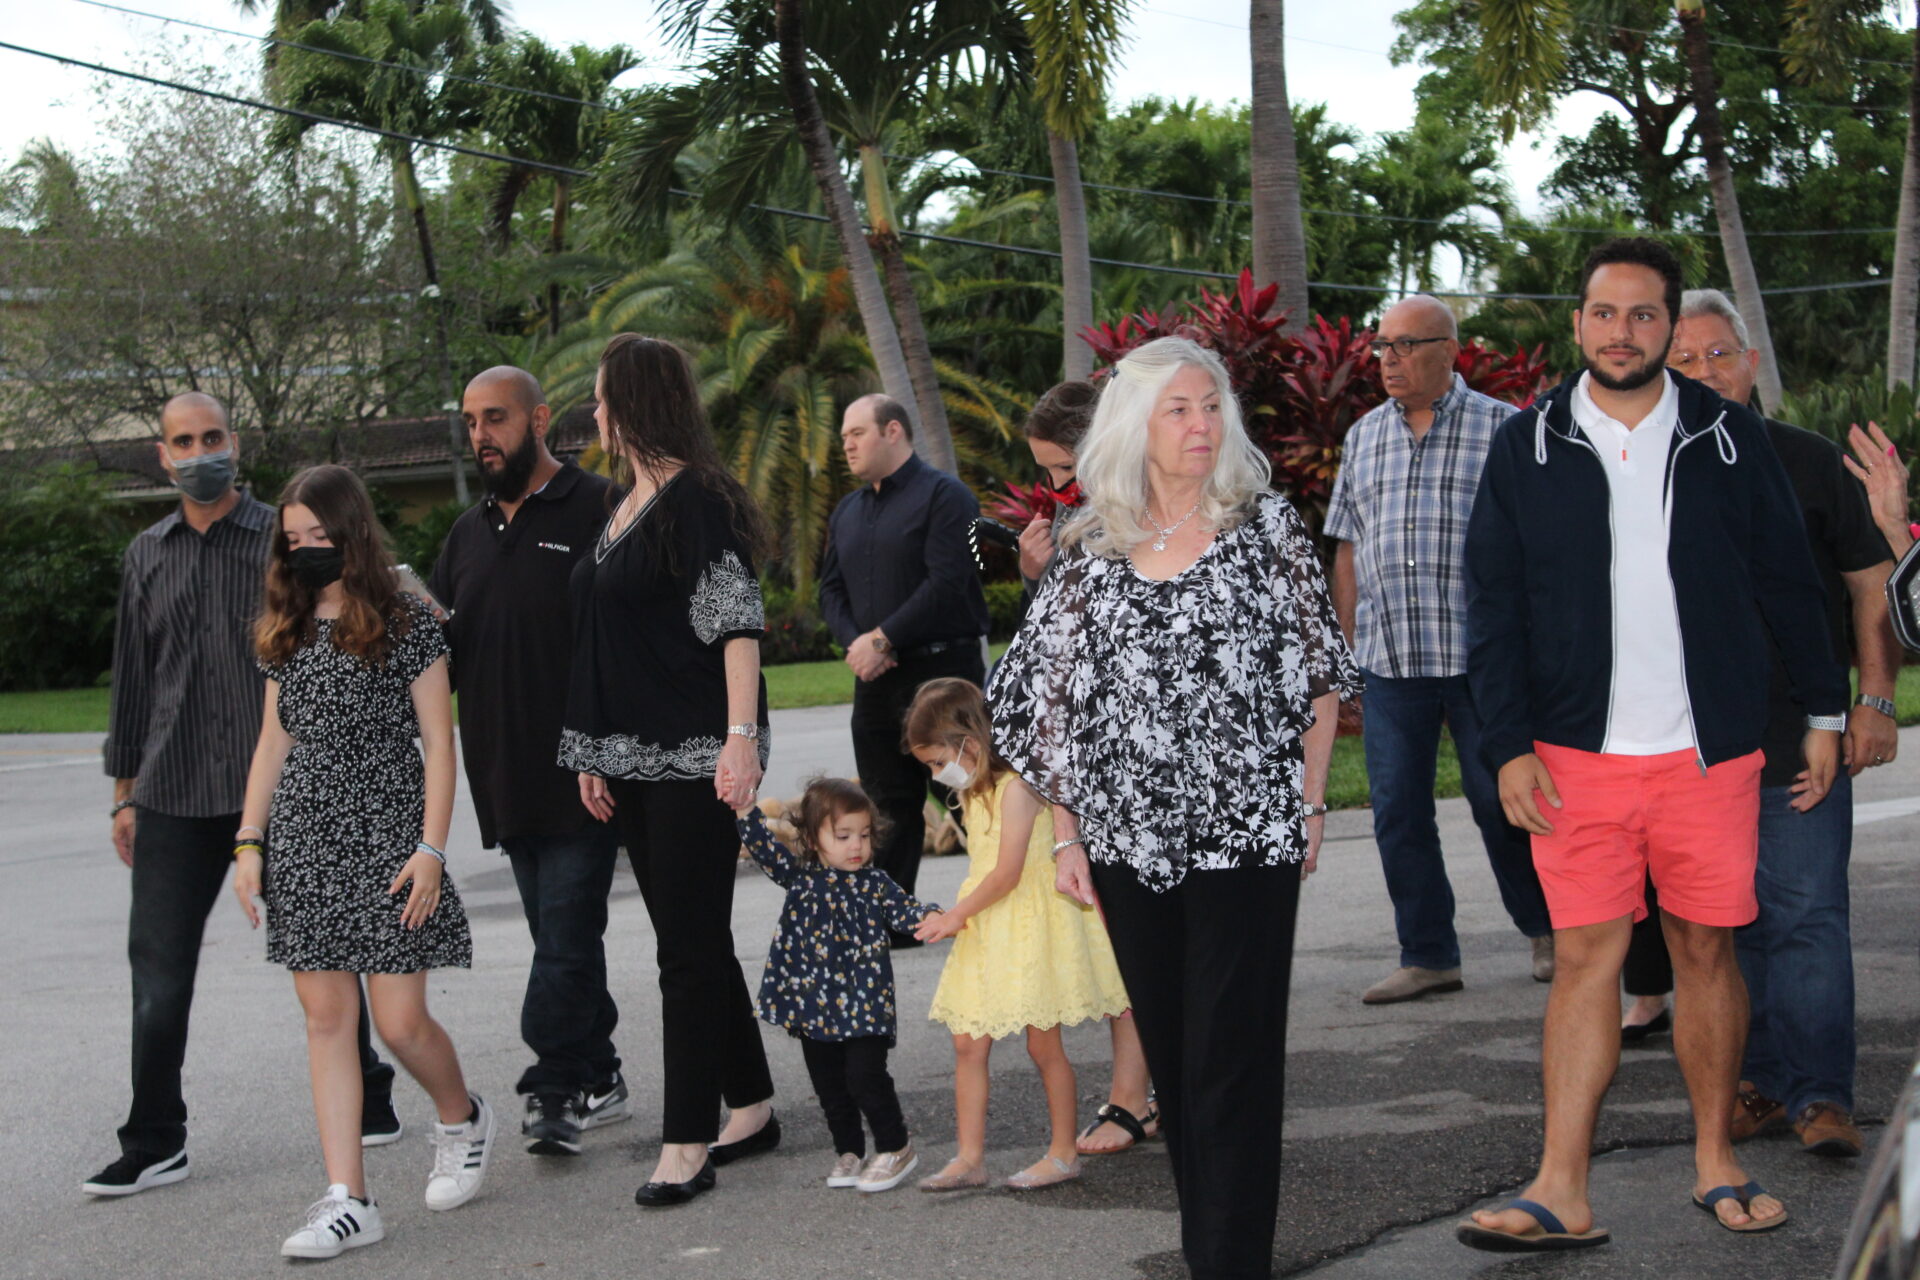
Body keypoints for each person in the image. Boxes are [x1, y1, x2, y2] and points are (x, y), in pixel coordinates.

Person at [1459, 239, 1850, 1251]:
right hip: (1574, 753)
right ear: (1576, 323)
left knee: (1704, 948)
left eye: (1642, 315)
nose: (1621, 332)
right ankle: (1559, 1186)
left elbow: (1787, 586)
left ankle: (1717, 1158)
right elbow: (1492, 606)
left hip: (1706, 754)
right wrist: (1507, 743)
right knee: (1588, 958)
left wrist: (1825, 711)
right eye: (1604, 313)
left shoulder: (1727, 438)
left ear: (1671, 327)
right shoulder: (1526, 444)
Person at [990, 337, 1359, 1278]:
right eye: (1179, 409)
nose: (1202, 425)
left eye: (1211, 406)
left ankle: (1229, 1261)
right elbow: (1053, 700)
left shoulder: (1265, 528)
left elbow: (1318, 675)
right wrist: (1068, 831)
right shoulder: (1088, 544)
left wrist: (1308, 807)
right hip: (1123, 839)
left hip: (1246, 832)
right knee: (1178, 1058)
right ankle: (1213, 1251)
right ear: (1135, 425)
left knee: (1230, 1059)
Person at [86, 393, 397, 1200]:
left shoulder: (279, 536)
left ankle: (370, 1095)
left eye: (211, 437)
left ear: (236, 441)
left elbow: (350, 617)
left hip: (284, 784)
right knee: (156, 973)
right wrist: (126, 790)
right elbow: (134, 677)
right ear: (162, 455)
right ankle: (154, 1138)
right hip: (175, 790)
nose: (199, 452)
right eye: (182, 442)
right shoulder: (145, 555)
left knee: (326, 951)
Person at [231, 464, 491, 1260]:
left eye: (321, 537)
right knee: (327, 1021)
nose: (307, 550)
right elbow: (275, 741)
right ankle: (349, 1198)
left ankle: (462, 1117)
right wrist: (249, 841)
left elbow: (440, 745)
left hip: (391, 830)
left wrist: (432, 849)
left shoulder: (407, 619)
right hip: (307, 836)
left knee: (401, 1022)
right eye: (294, 539)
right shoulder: (287, 623)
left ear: (354, 533)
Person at [1667, 289, 1894, 1157]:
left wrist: (1871, 704)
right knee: (1721, 923)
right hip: (1685, 751)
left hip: (1803, 739)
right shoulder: (1640, 472)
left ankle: (1821, 1097)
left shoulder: (1811, 463)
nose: (1702, 372)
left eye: (1718, 354)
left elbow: (1871, 585)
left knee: (1805, 914)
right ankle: (1755, 1085)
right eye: (1684, 360)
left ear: (1752, 363)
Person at [559, 333, 776, 1207]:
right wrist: (592, 746)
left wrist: (740, 739)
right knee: (696, 939)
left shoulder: (700, 501)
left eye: (605, 397)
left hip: (694, 758)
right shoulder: (623, 505)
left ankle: (687, 1140)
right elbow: (603, 639)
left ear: (638, 402)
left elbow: (738, 627)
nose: (596, 412)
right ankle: (752, 1103)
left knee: (684, 953)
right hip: (631, 759)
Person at [1324, 294, 1556, 1004]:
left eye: (1405, 345)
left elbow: (1541, 550)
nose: (1388, 359)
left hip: (1483, 659)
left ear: (1450, 350)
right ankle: (1428, 954)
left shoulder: (1506, 429)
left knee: (1500, 801)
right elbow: (1349, 544)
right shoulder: (1364, 436)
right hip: (1393, 658)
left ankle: (1547, 926)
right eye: (1381, 347)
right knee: (1397, 808)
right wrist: (1347, 644)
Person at [431, 366, 629, 1158]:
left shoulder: (599, 507)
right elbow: (441, 646)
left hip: (585, 770)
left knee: (566, 936)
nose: (482, 434)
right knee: (562, 934)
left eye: (497, 418)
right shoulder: (466, 533)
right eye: (472, 420)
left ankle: (552, 1087)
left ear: (539, 418)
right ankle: (603, 1067)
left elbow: (629, 629)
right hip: (503, 772)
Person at [904, 679, 1132, 1192]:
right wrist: (966, 913)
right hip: (988, 921)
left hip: (1029, 920)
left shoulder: (1019, 789)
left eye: (939, 761)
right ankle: (969, 1157)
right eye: (931, 767)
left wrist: (955, 915)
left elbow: (1008, 873)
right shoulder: (974, 789)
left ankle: (1062, 1152)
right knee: (967, 1041)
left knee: (1042, 1042)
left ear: (971, 741)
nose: (938, 774)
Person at [1015, 381, 1160, 1157]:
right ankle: (1138, 1092)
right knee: (1120, 936)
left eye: (1066, 470)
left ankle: (1138, 1095)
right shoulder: (1084, 519)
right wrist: (1038, 576)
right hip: (1098, 762)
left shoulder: (1150, 514)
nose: (1059, 490)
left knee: (1136, 939)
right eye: (1050, 477)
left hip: (1148, 762)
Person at [819, 393, 990, 939]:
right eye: (844, 435)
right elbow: (831, 590)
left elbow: (950, 581)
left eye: (856, 432)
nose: (846, 443)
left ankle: (1002, 906)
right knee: (885, 805)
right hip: (876, 681)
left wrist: (883, 636)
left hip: (943, 677)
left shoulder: (947, 497)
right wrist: (861, 645)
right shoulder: (846, 510)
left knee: (971, 796)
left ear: (893, 431)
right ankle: (892, 921)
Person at [735, 779, 940, 1193]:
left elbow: (907, 911)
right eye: (843, 836)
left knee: (866, 1076)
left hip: (864, 1005)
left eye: (864, 835)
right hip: (814, 1006)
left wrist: (936, 918)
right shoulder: (800, 878)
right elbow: (766, 851)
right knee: (830, 1086)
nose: (856, 846)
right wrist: (744, 812)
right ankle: (849, 1151)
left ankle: (895, 1146)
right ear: (812, 839)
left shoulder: (875, 883)